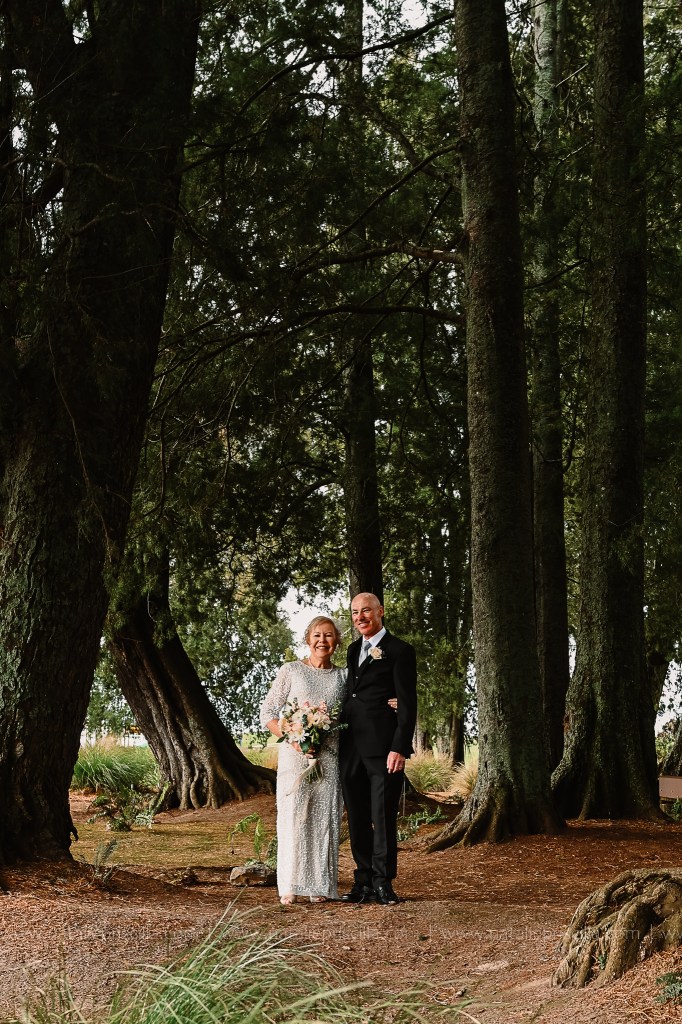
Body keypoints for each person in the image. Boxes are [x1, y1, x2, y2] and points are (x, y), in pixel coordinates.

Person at [259, 616, 347, 905]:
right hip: (294, 758)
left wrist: (393, 701)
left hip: (329, 758)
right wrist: (293, 738)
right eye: (317, 635)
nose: (323, 641)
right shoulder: (291, 670)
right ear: (308, 639)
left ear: (337, 641)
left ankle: (319, 885)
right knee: (293, 817)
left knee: (324, 818)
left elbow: (360, 706)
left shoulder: (343, 677)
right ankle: (289, 885)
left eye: (329, 635)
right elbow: (268, 712)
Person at [339, 592, 418, 905]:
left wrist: (399, 747)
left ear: (380, 611)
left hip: (384, 749)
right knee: (357, 816)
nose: (360, 617)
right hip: (350, 747)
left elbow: (408, 704)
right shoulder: (352, 650)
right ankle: (363, 881)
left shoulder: (400, 650)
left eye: (366, 611)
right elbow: (353, 694)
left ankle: (383, 882)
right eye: (355, 612)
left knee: (382, 816)